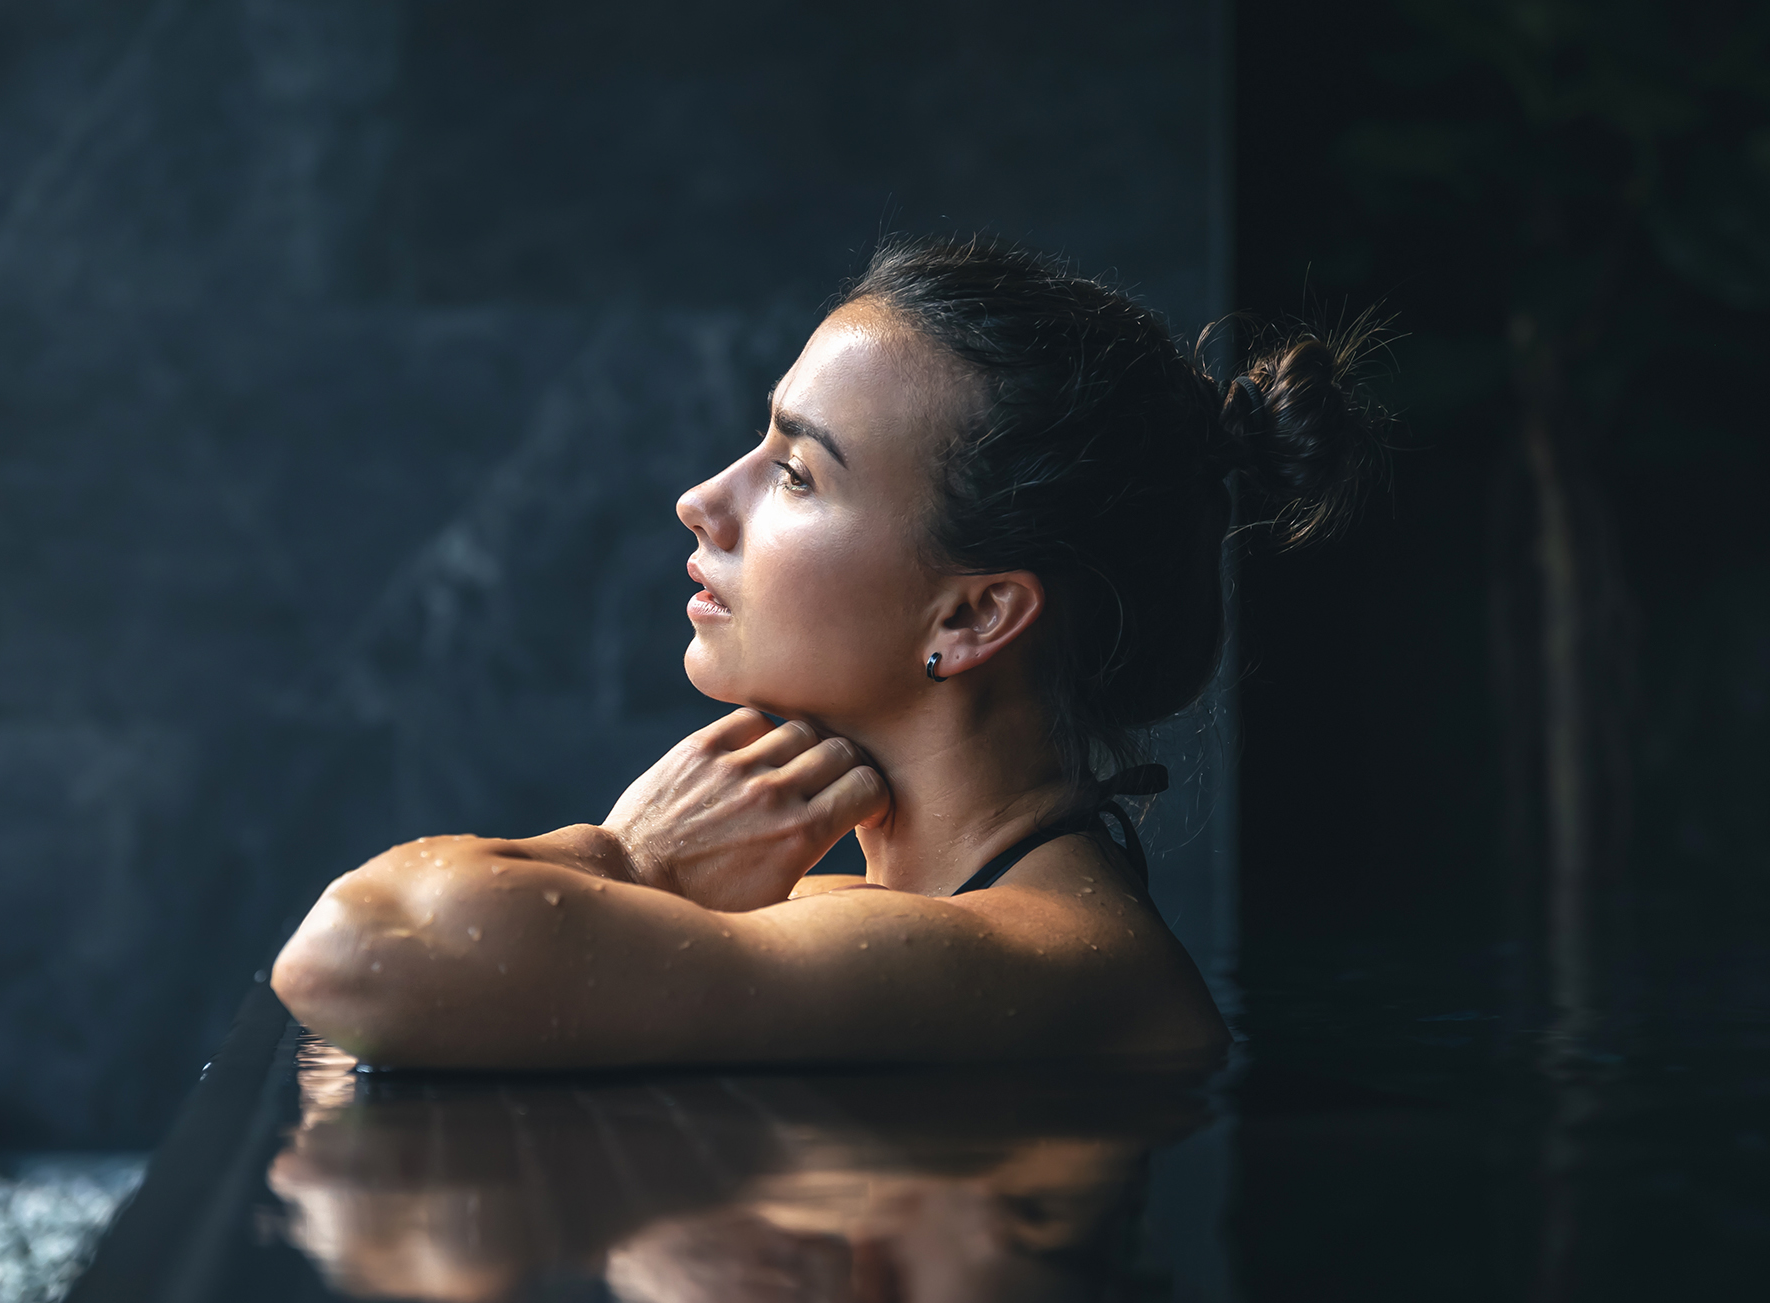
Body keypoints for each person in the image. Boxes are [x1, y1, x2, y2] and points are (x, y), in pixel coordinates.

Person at [273, 237, 1381, 1067]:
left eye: (797, 473)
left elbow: (357, 953)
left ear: (974, 618)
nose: (704, 500)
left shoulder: (1021, 958)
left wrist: (626, 860)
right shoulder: (873, 920)